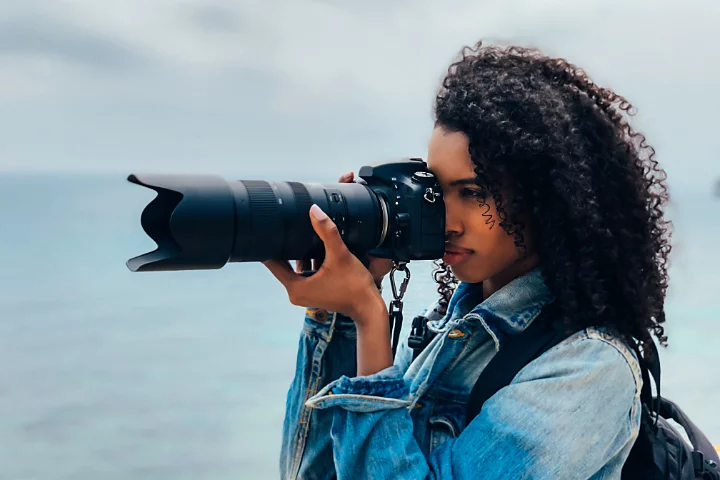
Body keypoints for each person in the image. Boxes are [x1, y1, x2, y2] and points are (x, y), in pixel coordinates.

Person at [263, 41, 672, 479]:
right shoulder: (453, 330)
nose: (447, 222)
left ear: (547, 200)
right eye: (439, 193)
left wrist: (368, 316)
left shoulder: (589, 368)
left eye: (474, 193)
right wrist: (336, 318)